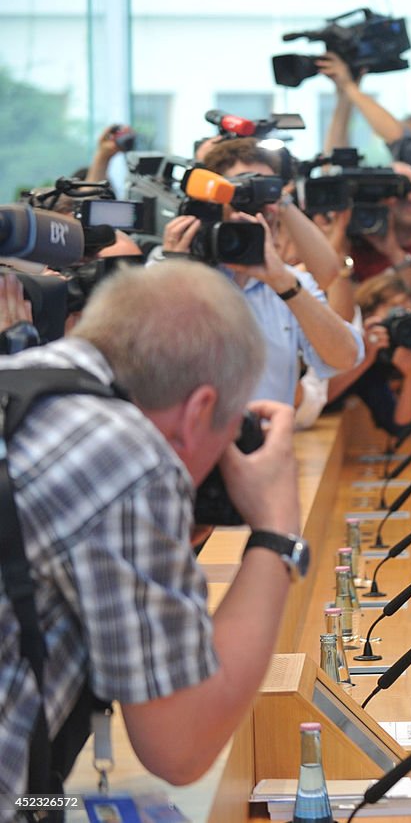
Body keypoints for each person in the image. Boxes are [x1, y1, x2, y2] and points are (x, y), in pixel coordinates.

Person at [0, 259, 306, 799]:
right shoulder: (123, 454)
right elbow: (180, 747)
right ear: (199, 411)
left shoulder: (23, 379)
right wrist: (277, 532)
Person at [161, 138, 363, 406]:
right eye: (242, 190)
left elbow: (345, 357)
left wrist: (283, 283)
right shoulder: (169, 270)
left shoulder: (291, 283)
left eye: (268, 193)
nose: (259, 205)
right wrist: (176, 274)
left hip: (268, 442)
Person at [319, 52, 411, 229]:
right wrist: (343, 96)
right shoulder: (384, 184)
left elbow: (399, 138)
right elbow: (334, 163)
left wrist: (349, 86)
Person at [323, 273, 411, 440]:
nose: (401, 324)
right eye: (393, 310)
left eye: (409, 316)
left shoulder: (379, 364)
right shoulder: (342, 337)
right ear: (368, 313)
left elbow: (399, 427)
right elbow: (318, 398)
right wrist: (363, 357)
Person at [347, 161, 411, 287]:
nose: (410, 198)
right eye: (399, 193)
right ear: (381, 198)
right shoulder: (354, 248)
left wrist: (393, 251)